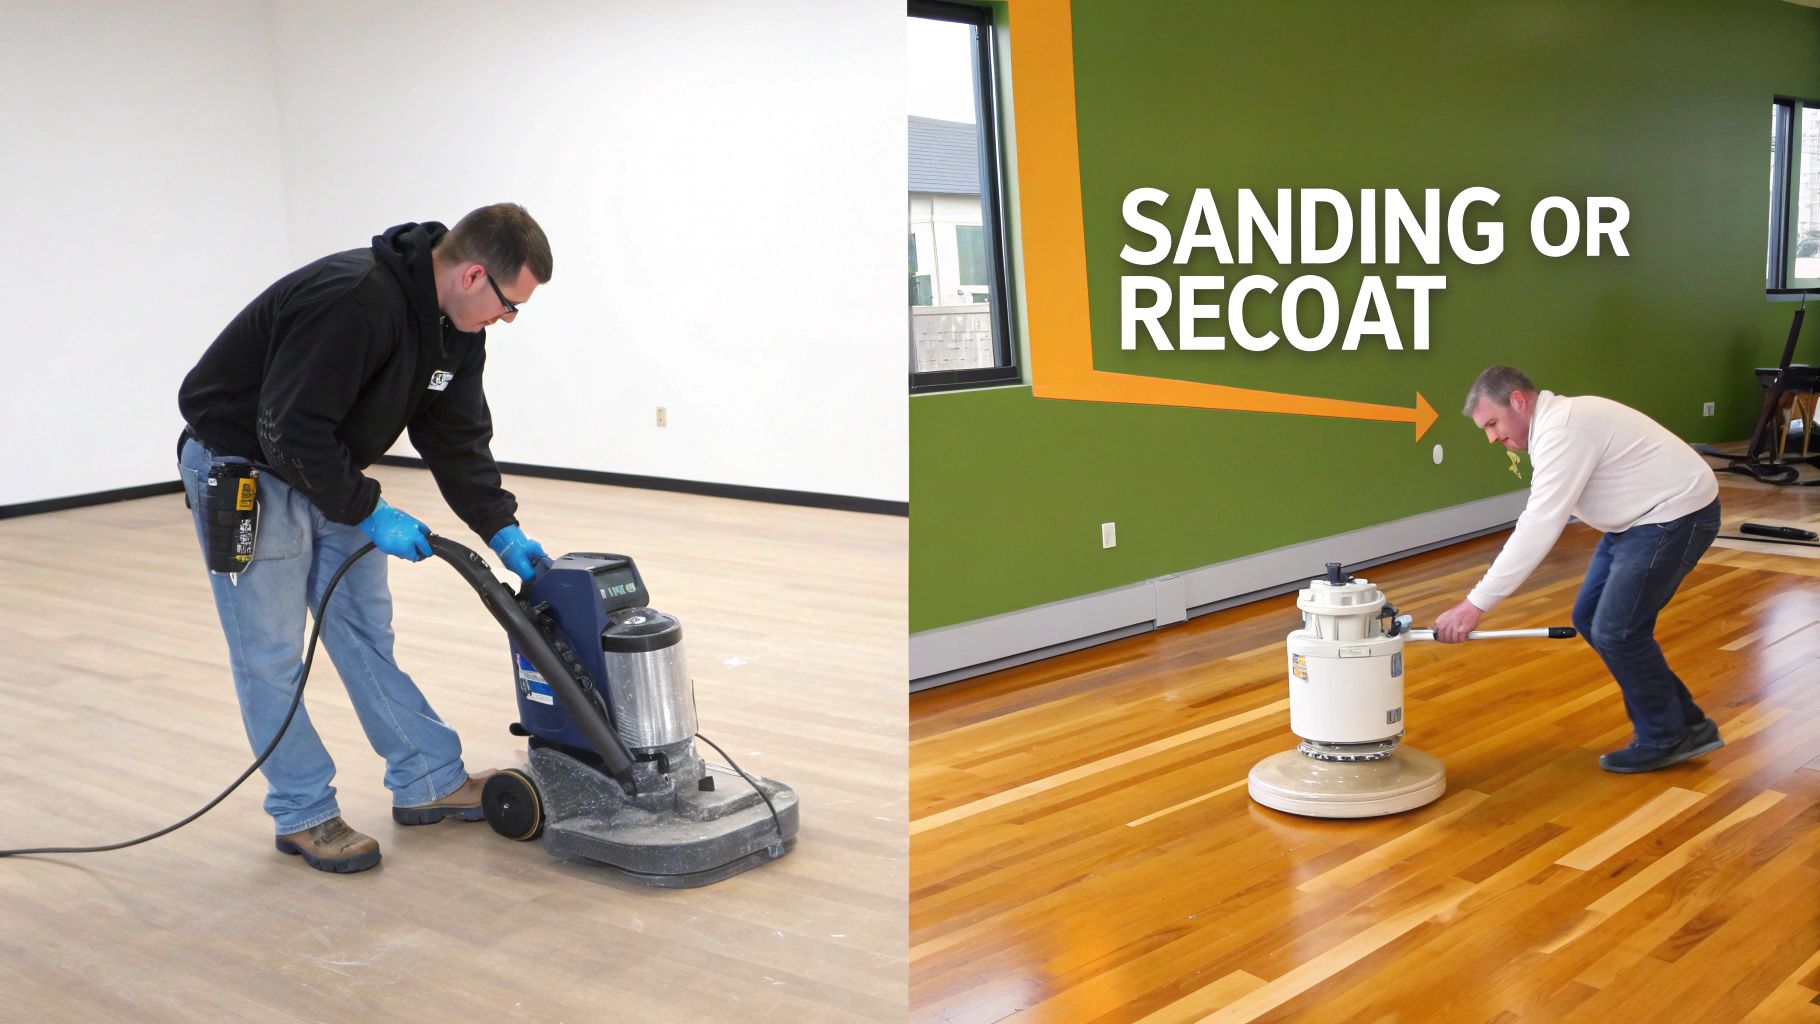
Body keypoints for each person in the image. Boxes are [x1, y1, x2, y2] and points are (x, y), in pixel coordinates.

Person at [176, 203, 554, 872]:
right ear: (472, 275)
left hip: (326, 466)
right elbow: (284, 429)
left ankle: (427, 780)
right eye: (508, 305)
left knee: (361, 629)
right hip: (246, 467)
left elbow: (457, 439)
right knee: (269, 653)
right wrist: (370, 513)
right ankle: (303, 813)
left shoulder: (456, 333)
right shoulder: (355, 301)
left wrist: (502, 526)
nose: (508, 320)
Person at [1433, 365, 1724, 774]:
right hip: (1636, 522)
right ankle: (1687, 724)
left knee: (1618, 630)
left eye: (1494, 423)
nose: (1493, 437)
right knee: (1590, 618)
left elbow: (1539, 525)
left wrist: (1473, 605)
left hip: (1677, 514)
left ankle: (1666, 735)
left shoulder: (1563, 431)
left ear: (1518, 400)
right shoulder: (1557, 427)